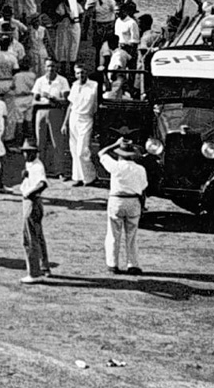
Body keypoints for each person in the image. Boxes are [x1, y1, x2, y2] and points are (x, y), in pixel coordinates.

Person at [97, 139, 148, 274]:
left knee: (113, 233)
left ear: (119, 154)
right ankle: (133, 264)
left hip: (117, 200)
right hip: (133, 201)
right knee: (132, 235)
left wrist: (115, 143)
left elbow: (101, 153)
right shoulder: (140, 169)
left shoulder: (115, 166)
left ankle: (112, 264)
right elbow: (143, 187)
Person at [18, 139, 51, 283]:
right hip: (34, 202)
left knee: (30, 239)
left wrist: (29, 194)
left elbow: (43, 184)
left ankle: (34, 273)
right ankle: (44, 266)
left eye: (28, 152)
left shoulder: (37, 166)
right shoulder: (30, 164)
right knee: (38, 235)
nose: (25, 154)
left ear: (34, 153)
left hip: (31, 202)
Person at [32, 59, 71, 179]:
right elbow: (34, 100)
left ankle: (59, 171)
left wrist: (52, 98)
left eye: (53, 66)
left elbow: (65, 101)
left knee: (57, 142)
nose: (51, 69)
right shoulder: (40, 81)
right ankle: (40, 171)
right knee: (40, 142)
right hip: (41, 112)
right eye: (48, 66)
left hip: (56, 112)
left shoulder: (62, 80)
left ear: (57, 67)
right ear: (44, 67)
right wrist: (44, 101)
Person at [62, 63, 98, 187]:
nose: (80, 75)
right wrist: (65, 124)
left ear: (86, 73)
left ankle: (90, 177)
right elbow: (70, 106)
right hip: (73, 119)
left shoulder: (94, 85)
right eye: (78, 73)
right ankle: (78, 177)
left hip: (86, 119)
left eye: (82, 72)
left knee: (82, 150)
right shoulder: (74, 86)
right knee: (74, 149)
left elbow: (96, 105)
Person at [84, 0, 118, 67]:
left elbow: (116, 13)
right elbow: (87, 11)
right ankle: (97, 67)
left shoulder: (110, 1)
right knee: (97, 47)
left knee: (107, 48)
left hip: (108, 25)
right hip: (97, 26)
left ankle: (107, 66)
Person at [9, 60, 38, 143]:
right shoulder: (32, 75)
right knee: (29, 119)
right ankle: (30, 139)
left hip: (19, 98)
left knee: (19, 121)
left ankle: (19, 141)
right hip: (29, 97)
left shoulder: (16, 76)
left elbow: (12, 86)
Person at [26, 13, 51, 77]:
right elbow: (25, 42)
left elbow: (48, 43)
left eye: (37, 20)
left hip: (42, 52)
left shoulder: (43, 30)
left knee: (43, 70)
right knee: (33, 70)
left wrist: (51, 54)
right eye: (34, 20)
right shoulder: (29, 30)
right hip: (33, 52)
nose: (36, 22)